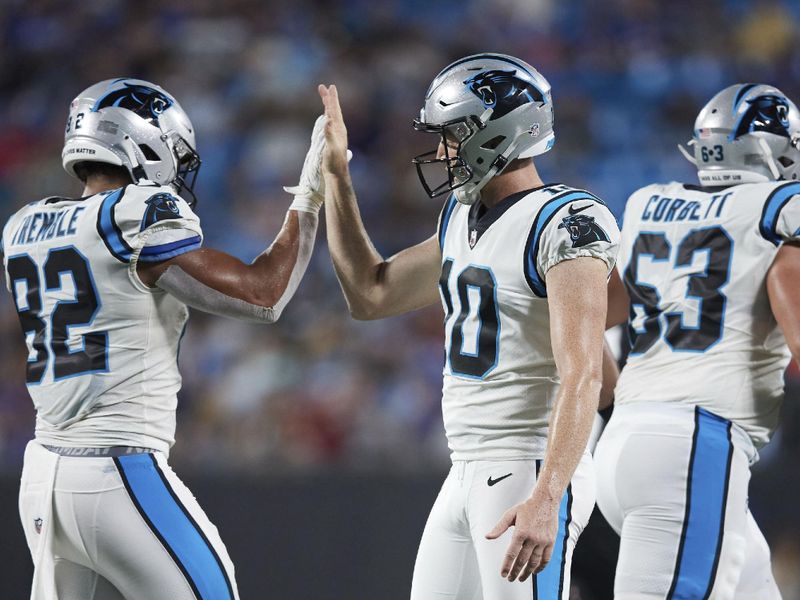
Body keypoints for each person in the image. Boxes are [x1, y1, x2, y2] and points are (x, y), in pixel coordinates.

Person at [3, 78, 326, 599]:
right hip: (117, 471)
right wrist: (310, 197)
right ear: (142, 144)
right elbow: (263, 295)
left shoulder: (24, 224)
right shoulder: (134, 212)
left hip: (42, 477)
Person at [318, 53, 620, 599]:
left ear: (498, 132)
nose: (441, 151)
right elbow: (371, 293)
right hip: (465, 468)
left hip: (529, 463)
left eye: (453, 134)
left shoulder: (567, 222)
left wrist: (549, 496)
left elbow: (582, 376)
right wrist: (337, 177)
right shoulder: (462, 215)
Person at [595, 83, 800, 599]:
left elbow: (580, 319)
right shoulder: (779, 205)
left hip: (625, 444)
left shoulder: (647, 203)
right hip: (694, 446)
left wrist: (610, 396)